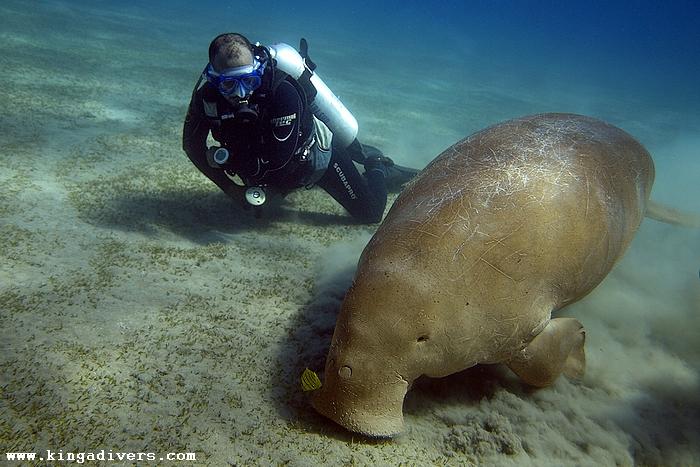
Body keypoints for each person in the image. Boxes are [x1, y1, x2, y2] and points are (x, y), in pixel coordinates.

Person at [182, 33, 418, 223]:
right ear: (214, 80)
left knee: (370, 214)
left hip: (316, 159)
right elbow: (192, 146)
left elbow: (282, 161)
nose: (241, 93)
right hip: (265, 166)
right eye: (229, 85)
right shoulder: (206, 99)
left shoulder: (282, 91)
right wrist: (230, 188)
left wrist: (260, 186)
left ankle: (376, 165)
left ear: (258, 71)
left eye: (249, 81)